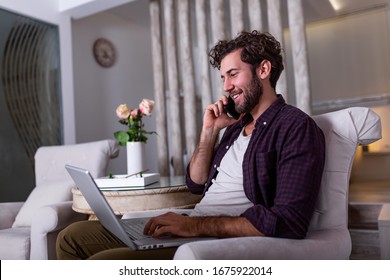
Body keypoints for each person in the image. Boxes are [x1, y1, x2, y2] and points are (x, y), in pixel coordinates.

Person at [56, 30, 325, 260]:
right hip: (193, 223)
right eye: (223, 78)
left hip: (211, 239)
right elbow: (196, 183)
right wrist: (209, 132)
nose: (227, 87)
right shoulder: (235, 128)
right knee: (71, 237)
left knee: (102, 263)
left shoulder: (295, 127)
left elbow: (289, 221)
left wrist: (194, 226)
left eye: (233, 74)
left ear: (263, 70)